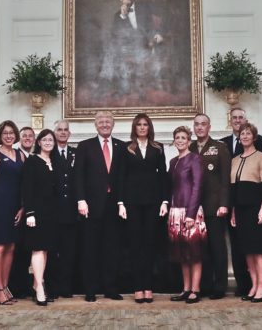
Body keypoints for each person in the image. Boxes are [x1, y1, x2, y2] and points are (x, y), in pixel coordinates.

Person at [74, 111, 128, 302]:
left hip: (114, 207)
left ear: (113, 124)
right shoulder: (84, 146)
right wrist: (81, 199)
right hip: (90, 206)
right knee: (90, 249)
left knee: (111, 249)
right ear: (95, 125)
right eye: (101, 121)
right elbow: (78, 175)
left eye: (108, 121)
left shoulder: (121, 146)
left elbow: (123, 178)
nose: (105, 124)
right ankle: (90, 290)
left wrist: (122, 202)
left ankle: (110, 288)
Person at [121, 114, 169, 304]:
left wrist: (165, 201)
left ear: (149, 127)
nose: (142, 127)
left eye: (145, 124)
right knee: (135, 246)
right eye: (139, 125)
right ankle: (137, 288)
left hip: (152, 203)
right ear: (134, 127)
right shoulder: (126, 148)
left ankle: (148, 287)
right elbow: (121, 177)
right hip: (131, 203)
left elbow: (163, 176)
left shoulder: (158, 148)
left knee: (149, 245)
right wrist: (120, 203)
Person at [219, 107, 262, 296]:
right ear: (230, 120)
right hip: (236, 205)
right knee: (241, 246)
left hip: (255, 204)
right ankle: (246, 286)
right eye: (235, 118)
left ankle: (259, 285)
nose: (238, 120)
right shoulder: (227, 149)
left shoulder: (260, 147)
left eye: (241, 118)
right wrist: (231, 208)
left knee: (257, 247)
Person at [190, 114, 232, 300]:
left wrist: (224, 204)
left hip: (214, 207)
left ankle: (219, 286)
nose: (200, 127)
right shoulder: (189, 147)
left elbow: (225, 180)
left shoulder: (219, 148)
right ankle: (204, 285)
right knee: (200, 249)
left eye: (203, 124)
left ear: (209, 127)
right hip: (194, 208)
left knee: (217, 247)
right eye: (197, 124)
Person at [230, 122, 262, 303]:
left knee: (259, 249)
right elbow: (233, 189)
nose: (245, 136)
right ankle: (253, 285)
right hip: (240, 209)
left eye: (248, 134)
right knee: (247, 249)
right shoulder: (235, 159)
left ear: (254, 137)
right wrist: (232, 211)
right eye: (242, 134)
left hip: (256, 208)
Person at [0, 120, 26, 305]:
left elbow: (25, 183)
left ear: (15, 135)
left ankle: (6, 287)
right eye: (5, 133)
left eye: (11, 133)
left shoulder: (20, 154)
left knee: (11, 247)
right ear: (0, 136)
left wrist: (23, 206)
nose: (9, 136)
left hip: (15, 206)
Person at [163, 126, 205, 304]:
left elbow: (197, 187)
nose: (180, 140)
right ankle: (186, 289)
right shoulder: (173, 162)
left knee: (194, 252)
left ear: (189, 141)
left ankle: (195, 289)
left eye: (183, 137)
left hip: (191, 212)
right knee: (182, 253)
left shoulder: (195, 159)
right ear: (174, 140)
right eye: (177, 137)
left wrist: (191, 214)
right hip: (175, 212)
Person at [99, 0, 166, 94]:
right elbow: (115, 35)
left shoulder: (145, 9)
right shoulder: (118, 16)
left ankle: (110, 84)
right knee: (111, 50)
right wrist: (123, 17)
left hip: (143, 46)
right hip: (125, 47)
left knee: (113, 51)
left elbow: (151, 27)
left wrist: (156, 35)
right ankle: (107, 83)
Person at [21, 129, 59, 306]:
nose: (48, 142)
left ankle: (37, 284)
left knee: (45, 250)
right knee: (37, 249)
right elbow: (27, 189)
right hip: (36, 213)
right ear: (38, 142)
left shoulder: (55, 161)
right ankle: (40, 288)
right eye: (44, 139)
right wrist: (29, 213)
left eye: (51, 139)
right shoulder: (32, 161)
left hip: (51, 213)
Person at [48, 120, 77, 300]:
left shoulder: (76, 152)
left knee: (69, 252)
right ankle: (52, 287)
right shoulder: (47, 153)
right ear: (54, 133)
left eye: (66, 130)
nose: (63, 132)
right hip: (52, 212)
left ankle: (66, 287)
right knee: (52, 252)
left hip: (72, 212)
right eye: (59, 130)